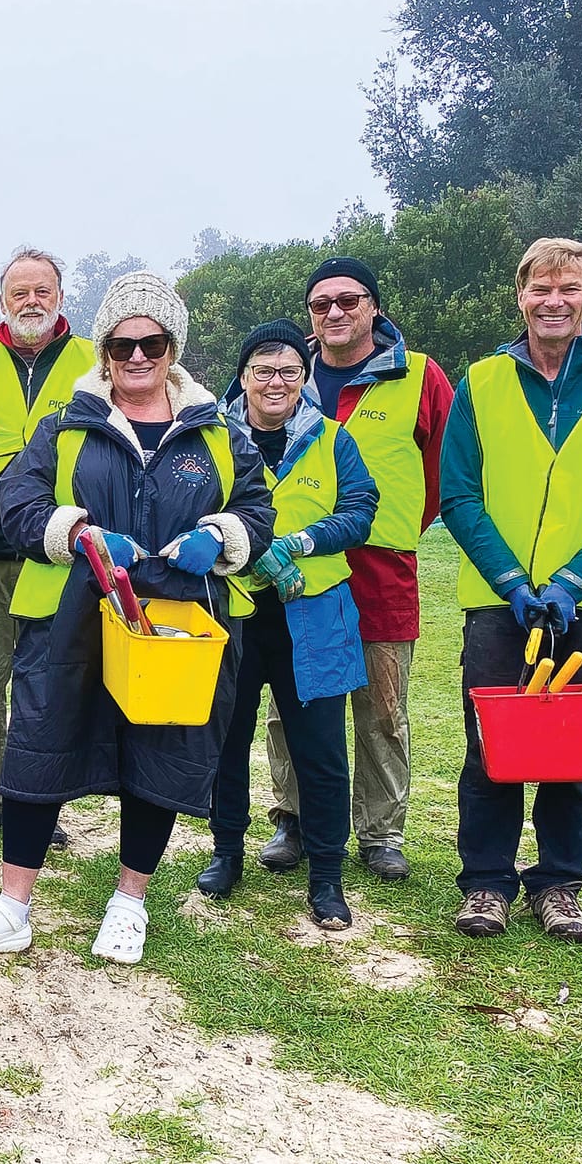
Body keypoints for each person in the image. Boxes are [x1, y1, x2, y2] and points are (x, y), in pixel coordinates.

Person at [0, 271, 273, 961]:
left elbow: (257, 508)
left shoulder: (218, 432)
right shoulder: (65, 426)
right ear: (104, 350)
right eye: (122, 344)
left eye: (152, 342)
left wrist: (222, 536)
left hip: (174, 623)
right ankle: (13, 905)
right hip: (71, 619)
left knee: (160, 755)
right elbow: (19, 504)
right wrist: (77, 533)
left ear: (172, 346)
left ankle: (129, 904)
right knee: (40, 748)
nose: (137, 356)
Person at [439, 239, 582, 942]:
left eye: (569, 288)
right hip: (499, 602)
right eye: (541, 288)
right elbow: (459, 494)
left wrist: (574, 580)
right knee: (491, 749)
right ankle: (486, 883)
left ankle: (559, 886)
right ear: (520, 296)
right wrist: (511, 579)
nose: (554, 301)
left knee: (573, 753)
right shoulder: (480, 382)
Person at [261, 257, 454, 883]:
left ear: (374, 306)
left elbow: (445, 470)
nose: (335, 312)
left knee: (383, 706)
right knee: (292, 701)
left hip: (381, 568)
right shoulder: (286, 374)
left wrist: (397, 527)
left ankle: (381, 832)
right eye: (321, 304)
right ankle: (293, 819)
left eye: (349, 300)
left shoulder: (419, 375)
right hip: (298, 571)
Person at [202, 321, 378, 928]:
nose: (275, 383)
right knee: (227, 739)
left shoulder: (333, 438)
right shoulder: (214, 439)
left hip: (314, 614)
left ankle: (326, 876)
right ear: (243, 377)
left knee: (320, 750)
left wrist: (300, 541)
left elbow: (360, 512)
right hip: (236, 611)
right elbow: (194, 511)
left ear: (304, 378)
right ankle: (226, 853)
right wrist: (245, 548)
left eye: (289, 372)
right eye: (262, 371)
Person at [0, 246, 97, 843]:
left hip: (58, 554)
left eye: (42, 291)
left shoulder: (93, 361)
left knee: (50, 686)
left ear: (60, 296)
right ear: (2, 300)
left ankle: (39, 800)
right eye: (19, 293)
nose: (31, 302)